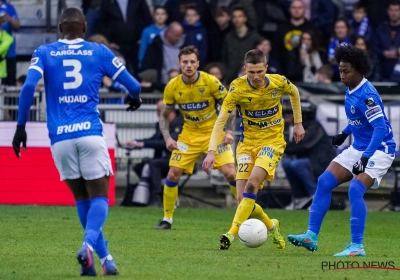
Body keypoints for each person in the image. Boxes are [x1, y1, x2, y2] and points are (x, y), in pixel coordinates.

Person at [11, 8, 142, 276]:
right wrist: (134, 96)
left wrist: (21, 126)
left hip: (60, 138)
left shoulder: (44, 52)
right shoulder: (100, 51)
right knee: (99, 198)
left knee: (82, 199)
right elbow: (134, 86)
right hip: (90, 133)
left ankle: (103, 261)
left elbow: (27, 88)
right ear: (84, 27)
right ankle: (87, 247)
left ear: (60, 28)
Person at [288, 44, 396, 257]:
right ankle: (311, 235)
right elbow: (359, 120)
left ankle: (357, 247)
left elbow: (380, 129)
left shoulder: (367, 95)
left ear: (359, 70)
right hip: (359, 146)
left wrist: (365, 157)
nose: (342, 74)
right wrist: (345, 132)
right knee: (324, 181)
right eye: (340, 70)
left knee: (355, 189)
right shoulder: (351, 88)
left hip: (379, 149)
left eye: (346, 71)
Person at [202, 49, 305, 250]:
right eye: (251, 72)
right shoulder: (237, 88)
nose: (256, 77)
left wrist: (298, 123)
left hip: (272, 142)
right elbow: (220, 121)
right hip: (247, 144)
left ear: (266, 68)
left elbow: (295, 92)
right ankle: (271, 225)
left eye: (259, 71)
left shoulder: (278, 82)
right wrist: (211, 151)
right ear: (245, 69)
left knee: (252, 185)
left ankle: (231, 234)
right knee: (242, 199)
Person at [154, 45, 237, 230]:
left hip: (214, 134)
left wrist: (229, 132)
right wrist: (167, 138)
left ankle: (243, 210)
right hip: (188, 136)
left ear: (198, 64)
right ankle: (167, 218)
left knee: (231, 172)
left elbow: (230, 107)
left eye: (192, 62)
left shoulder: (211, 82)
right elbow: (164, 114)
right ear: (179, 64)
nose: (189, 65)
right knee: (173, 173)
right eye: (185, 62)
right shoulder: (173, 86)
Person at [122, 100, 183, 206]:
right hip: (164, 160)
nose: (157, 113)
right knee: (139, 166)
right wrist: (136, 143)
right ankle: (147, 196)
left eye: (159, 110)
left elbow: (168, 143)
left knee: (154, 164)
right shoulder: (161, 125)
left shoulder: (180, 123)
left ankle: (157, 197)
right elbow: (154, 139)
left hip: (179, 160)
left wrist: (144, 144)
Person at [282, 102, 337, 210]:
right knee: (287, 163)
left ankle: (317, 197)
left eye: (291, 113)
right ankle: (300, 197)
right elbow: (290, 147)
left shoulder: (314, 127)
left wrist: (282, 147)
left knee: (297, 164)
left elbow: (303, 145)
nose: (287, 116)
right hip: (309, 161)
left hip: (321, 163)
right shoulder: (294, 128)